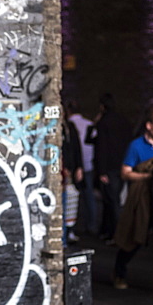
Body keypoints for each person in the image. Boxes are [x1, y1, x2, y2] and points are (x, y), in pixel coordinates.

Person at [112, 109, 153, 289]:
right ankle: (119, 273)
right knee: (133, 237)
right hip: (141, 199)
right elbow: (125, 173)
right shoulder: (135, 146)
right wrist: (147, 177)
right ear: (149, 126)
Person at [87, 93, 132, 243]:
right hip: (122, 165)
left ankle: (115, 234)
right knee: (113, 201)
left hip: (109, 167)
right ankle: (108, 231)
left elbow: (100, 147)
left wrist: (102, 171)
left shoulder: (103, 122)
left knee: (111, 202)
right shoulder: (123, 121)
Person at [67, 100, 98, 237]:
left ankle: (72, 226)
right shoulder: (89, 124)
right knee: (89, 196)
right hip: (88, 163)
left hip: (74, 165)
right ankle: (91, 224)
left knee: (71, 198)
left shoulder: (69, 126)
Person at [59, 102, 85, 244]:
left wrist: (78, 167)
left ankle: (68, 232)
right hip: (63, 170)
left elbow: (76, 148)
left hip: (69, 170)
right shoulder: (59, 129)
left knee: (70, 203)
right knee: (65, 202)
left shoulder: (69, 128)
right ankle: (64, 236)